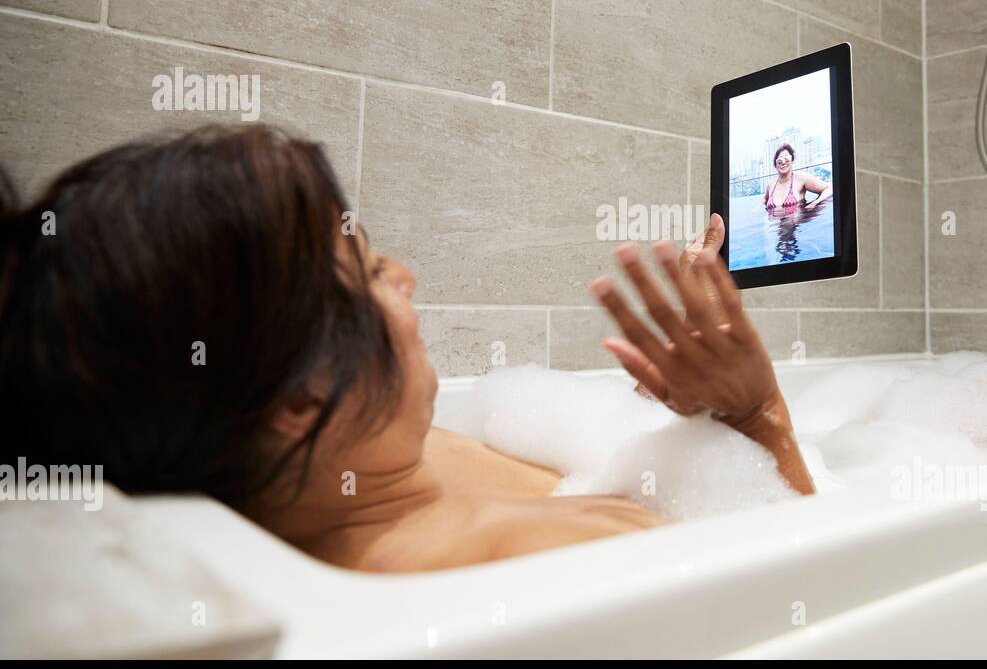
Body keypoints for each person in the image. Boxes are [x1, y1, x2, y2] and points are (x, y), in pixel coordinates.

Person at [0, 125, 814, 573]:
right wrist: (757, 410)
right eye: (372, 272)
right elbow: (817, 579)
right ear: (298, 399)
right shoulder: (556, 563)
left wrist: (684, 411)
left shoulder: (364, 470)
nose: (409, 279)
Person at [763, 143, 831, 216]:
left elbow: (830, 188)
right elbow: (764, 199)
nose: (783, 163)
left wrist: (815, 203)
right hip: (773, 225)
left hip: (795, 224)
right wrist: (757, 208)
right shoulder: (771, 184)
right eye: (779, 161)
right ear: (775, 165)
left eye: (787, 159)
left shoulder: (801, 178)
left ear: (792, 161)